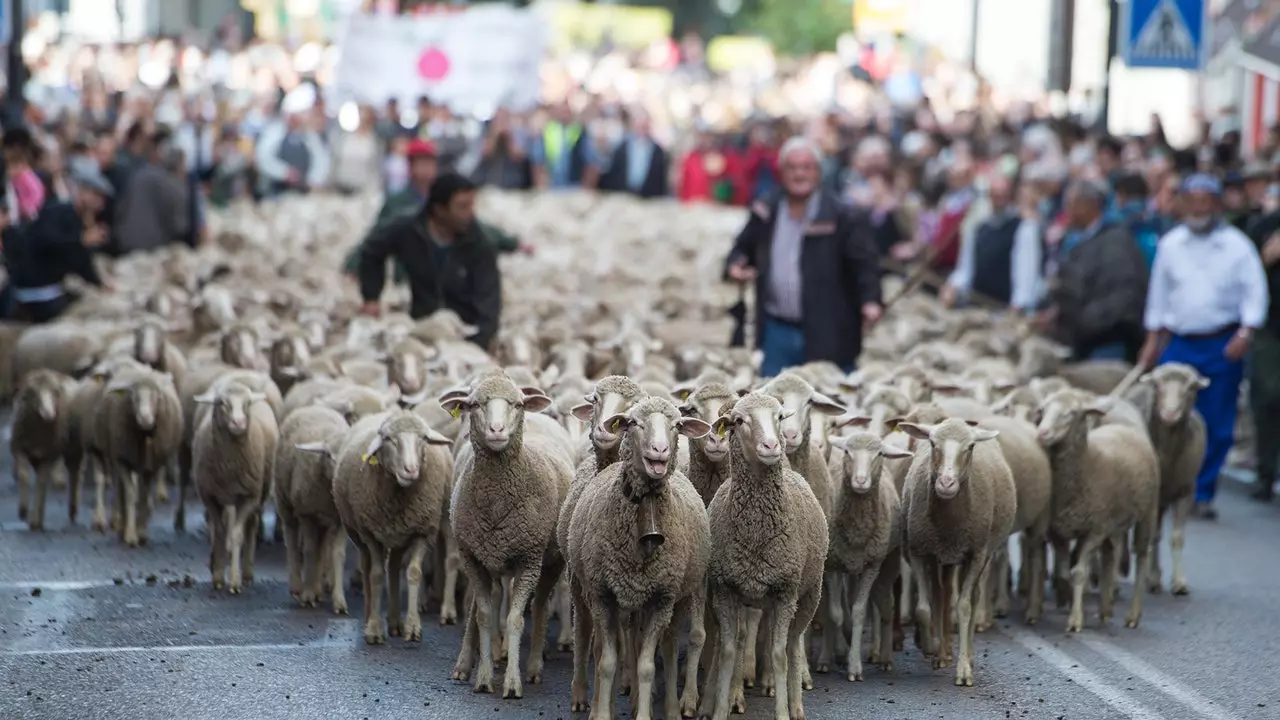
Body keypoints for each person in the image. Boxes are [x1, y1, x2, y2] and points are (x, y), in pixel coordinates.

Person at [1138, 174, 1270, 519]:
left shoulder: (1237, 246)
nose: (1198, 207)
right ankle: (1164, 487)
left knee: (1215, 420)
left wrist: (1246, 331)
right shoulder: (1171, 244)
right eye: (1191, 199)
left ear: (1215, 204)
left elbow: (1255, 291)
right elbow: (1159, 296)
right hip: (1180, 342)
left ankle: (1202, 490)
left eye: (1205, 200)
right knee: (1166, 415)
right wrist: (1152, 341)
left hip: (1220, 342)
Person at [723, 136, 882, 377]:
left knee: (829, 401)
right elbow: (742, 247)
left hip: (828, 328)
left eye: (807, 167)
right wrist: (735, 265)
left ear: (818, 171)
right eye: (792, 167)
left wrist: (871, 300)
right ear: (781, 171)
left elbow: (865, 264)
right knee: (774, 401)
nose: (799, 174)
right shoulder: (766, 210)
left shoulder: (841, 215)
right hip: (777, 330)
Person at [357, 173, 500, 350]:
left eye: (471, 205)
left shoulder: (478, 245)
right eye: (462, 207)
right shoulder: (408, 230)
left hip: (463, 333)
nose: (471, 213)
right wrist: (371, 297)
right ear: (439, 209)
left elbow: (489, 302)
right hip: (420, 329)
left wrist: (478, 345)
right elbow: (372, 250)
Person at [1046, 179, 1149, 361]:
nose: (1067, 212)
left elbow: (1124, 297)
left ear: (1089, 205)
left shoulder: (1116, 243)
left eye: (1071, 205)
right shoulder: (1079, 240)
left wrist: (1082, 322)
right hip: (1083, 340)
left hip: (1109, 341)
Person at [2, 165, 112, 322]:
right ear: (83, 192)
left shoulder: (78, 220)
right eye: (96, 195)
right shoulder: (56, 211)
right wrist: (80, 240)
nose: (100, 203)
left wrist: (99, 283)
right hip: (36, 292)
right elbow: (46, 241)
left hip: (51, 289)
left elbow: (81, 260)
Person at [941, 173, 1042, 314]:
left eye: (1003, 195)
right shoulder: (979, 227)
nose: (998, 200)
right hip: (973, 308)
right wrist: (952, 287)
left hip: (1003, 312)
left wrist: (1017, 306)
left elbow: (1026, 276)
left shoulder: (1023, 229)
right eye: (995, 195)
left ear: (1011, 197)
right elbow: (965, 270)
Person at [1246, 202, 1280, 502]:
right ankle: (1266, 472)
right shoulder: (1264, 227)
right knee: (1268, 397)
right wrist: (1264, 259)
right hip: (1271, 325)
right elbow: (1246, 278)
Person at [254, 87, 330, 198]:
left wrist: (314, 179)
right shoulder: (275, 132)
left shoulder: (309, 135)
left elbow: (320, 159)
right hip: (275, 191)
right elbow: (264, 157)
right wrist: (284, 172)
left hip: (302, 193)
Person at [114, 143, 190, 254]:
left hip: (125, 242)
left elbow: (121, 208)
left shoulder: (138, 174)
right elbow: (179, 226)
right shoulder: (174, 185)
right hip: (153, 249)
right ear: (180, 165)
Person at [599, 110, 669, 199]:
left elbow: (660, 178)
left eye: (645, 126)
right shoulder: (622, 147)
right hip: (624, 194)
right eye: (640, 126)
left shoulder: (658, 151)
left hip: (648, 196)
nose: (642, 129)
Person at [530, 101, 598, 190]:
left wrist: (587, 187)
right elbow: (538, 161)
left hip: (574, 186)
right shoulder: (548, 130)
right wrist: (541, 185)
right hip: (552, 186)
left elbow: (591, 162)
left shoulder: (579, 131)